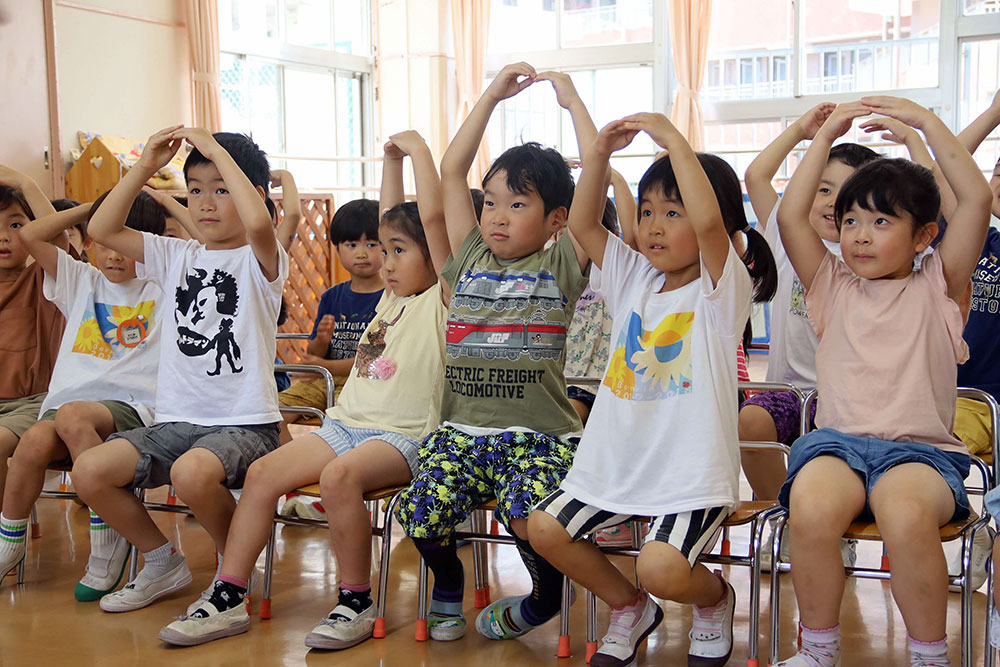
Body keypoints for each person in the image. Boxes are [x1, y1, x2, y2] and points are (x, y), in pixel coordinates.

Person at [156, 129, 448, 650]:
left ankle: (356, 599)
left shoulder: (441, 301)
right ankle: (229, 594)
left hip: (403, 437)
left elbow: (431, 221)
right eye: (384, 251)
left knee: (339, 477)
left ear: (433, 257)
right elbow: (389, 222)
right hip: (346, 427)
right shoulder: (389, 297)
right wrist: (387, 160)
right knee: (266, 472)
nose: (384, 261)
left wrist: (420, 156)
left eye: (398, 252)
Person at [529, 110, 777, 667]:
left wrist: (671, 139)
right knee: (544, 528)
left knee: (662, 568)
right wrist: (597, 155)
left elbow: (712, 228)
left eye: (673, 212)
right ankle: (629, 608)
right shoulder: (633, 276)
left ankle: (714, 601)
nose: (655, 226)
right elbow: (585, 226)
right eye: (647, 213)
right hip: (614, 465)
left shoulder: (721, 290)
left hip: (688, 474)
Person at [773, 98, 992, 667]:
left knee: (904, 513)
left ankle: (927, 654)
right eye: (850, 221)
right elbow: (792, 217)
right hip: (837, 444)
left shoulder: (939, 286)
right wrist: (820, 139)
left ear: (924, 236)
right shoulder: (831, 283)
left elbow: (976, 199)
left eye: (880, 221)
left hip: (918, 453)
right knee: (811, 507)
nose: (860, 236)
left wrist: (923, 121)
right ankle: (817, 647)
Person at [394, 63, 593, 643]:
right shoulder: (470, 254)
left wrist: (573, 101)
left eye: (518, 205)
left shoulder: (560, 264)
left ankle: (542, 598)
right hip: (460, 432)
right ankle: (450, 583)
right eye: (493, 203)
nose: (498, 216)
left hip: (537, 436)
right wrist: (491, 97)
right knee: (418, 510)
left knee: (532, 517)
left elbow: (592, 190)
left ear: (556, 219)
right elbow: (454, 170)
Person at [71, 127, 289, 614]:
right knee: (91, 470)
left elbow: (258, 223)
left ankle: (232, 568)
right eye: (195, 190)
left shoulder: (260, 258)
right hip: (176, 422)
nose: (205, 203)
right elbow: (103, 229)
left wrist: (211, 149)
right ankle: (162, 561)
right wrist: (146, 165)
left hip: (245, 423)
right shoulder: (178, 255)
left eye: (220, 190)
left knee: (192, 475)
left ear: (253, 195)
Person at [0, 191, 165, 600]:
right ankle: (8, 544)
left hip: (133, 407)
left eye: (124, 243)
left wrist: (161, 200)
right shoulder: (81, 280)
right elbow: (34, 235)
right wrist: (95, 210)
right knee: (35, 440)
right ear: (90, 240)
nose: (113, 255)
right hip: (69, 410)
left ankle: (107, 541)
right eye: (103, 241)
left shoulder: (165, 286)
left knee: (72, 416)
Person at [277, 198, 385, 441]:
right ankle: (293, 465)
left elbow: (376, 360)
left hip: (365, 384)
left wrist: (323, 366)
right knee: (274, 412)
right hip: (325, 380)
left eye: (371, 244)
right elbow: (315, 351)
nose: (361, 253)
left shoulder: (391, 298)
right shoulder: (331, 296)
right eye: (351, 244)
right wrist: (322, 340)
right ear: (336, 248)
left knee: (342, 419)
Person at [0, 168, 65, 516]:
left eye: (15, 225)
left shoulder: (40, 277)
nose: (4, 238)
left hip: (30, 403)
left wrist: (27, 183)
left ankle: (7, 537)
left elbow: (58, 241)